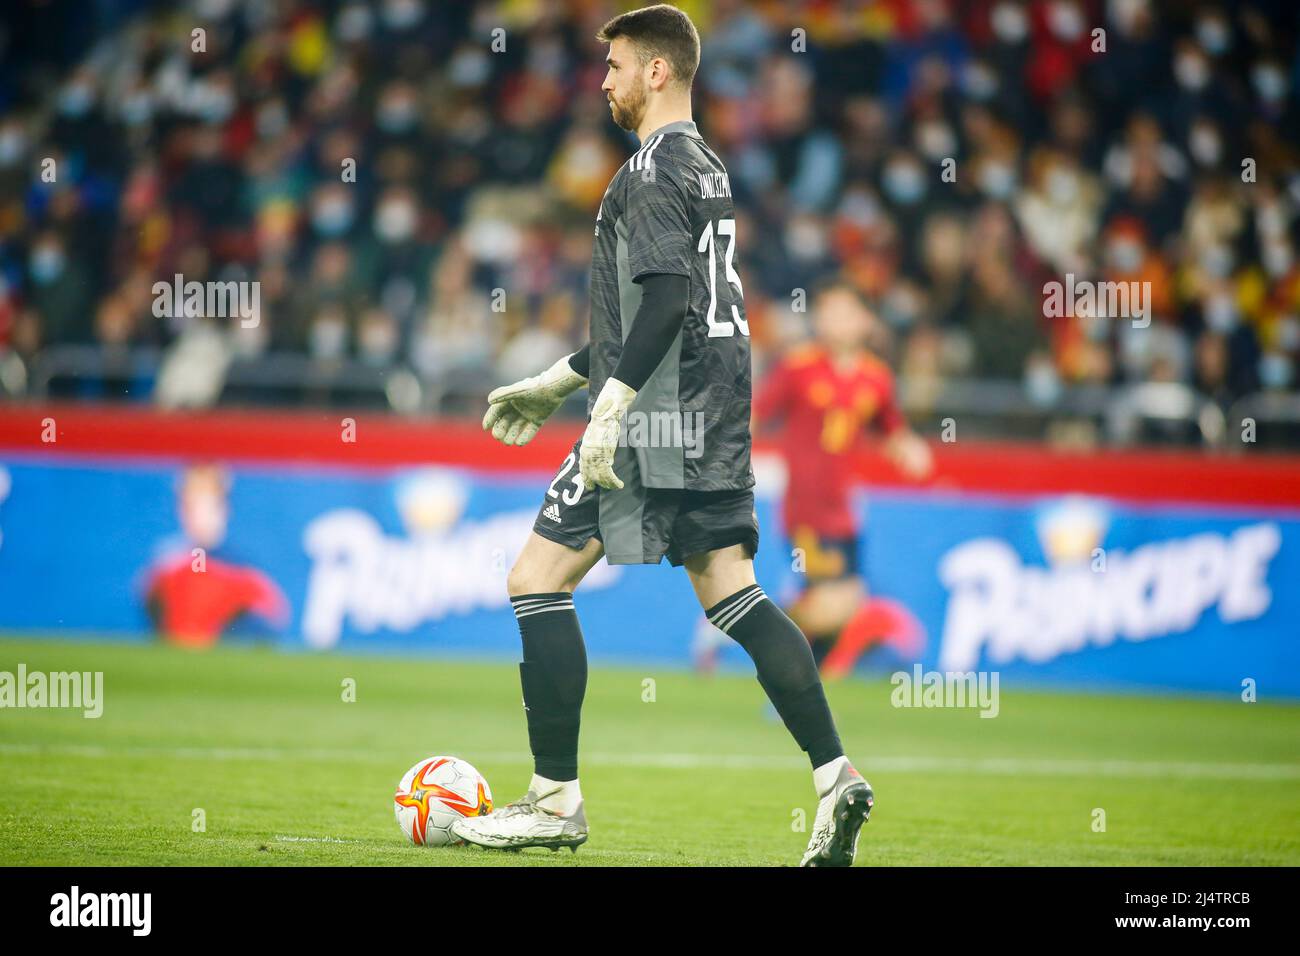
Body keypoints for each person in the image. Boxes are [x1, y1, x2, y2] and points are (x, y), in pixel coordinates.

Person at [451, 4, 871, 867]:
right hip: (716, 411)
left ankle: (553, 800)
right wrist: (557, 380)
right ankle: (836, 777)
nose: (601, 80)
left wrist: (607, 405)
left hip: (654, 415)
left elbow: (669, 300)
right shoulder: (705, 163)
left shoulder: (648, 167)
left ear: (656, 70)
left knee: (537, 577)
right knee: (730, 589)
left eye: (613, 65)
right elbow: (665, 307)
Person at [750, 281, 932, 680]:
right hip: (805, 509)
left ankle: (791, 680)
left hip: (844, 513)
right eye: (826, 310)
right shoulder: (799, 366)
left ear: (865, 320)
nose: (831, 320)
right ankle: (740, 627)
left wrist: (909, 448)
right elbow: (756, 414)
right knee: (839, 601)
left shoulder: (876, 377)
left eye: (843, 311)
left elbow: (890, 428)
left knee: (833, 604)